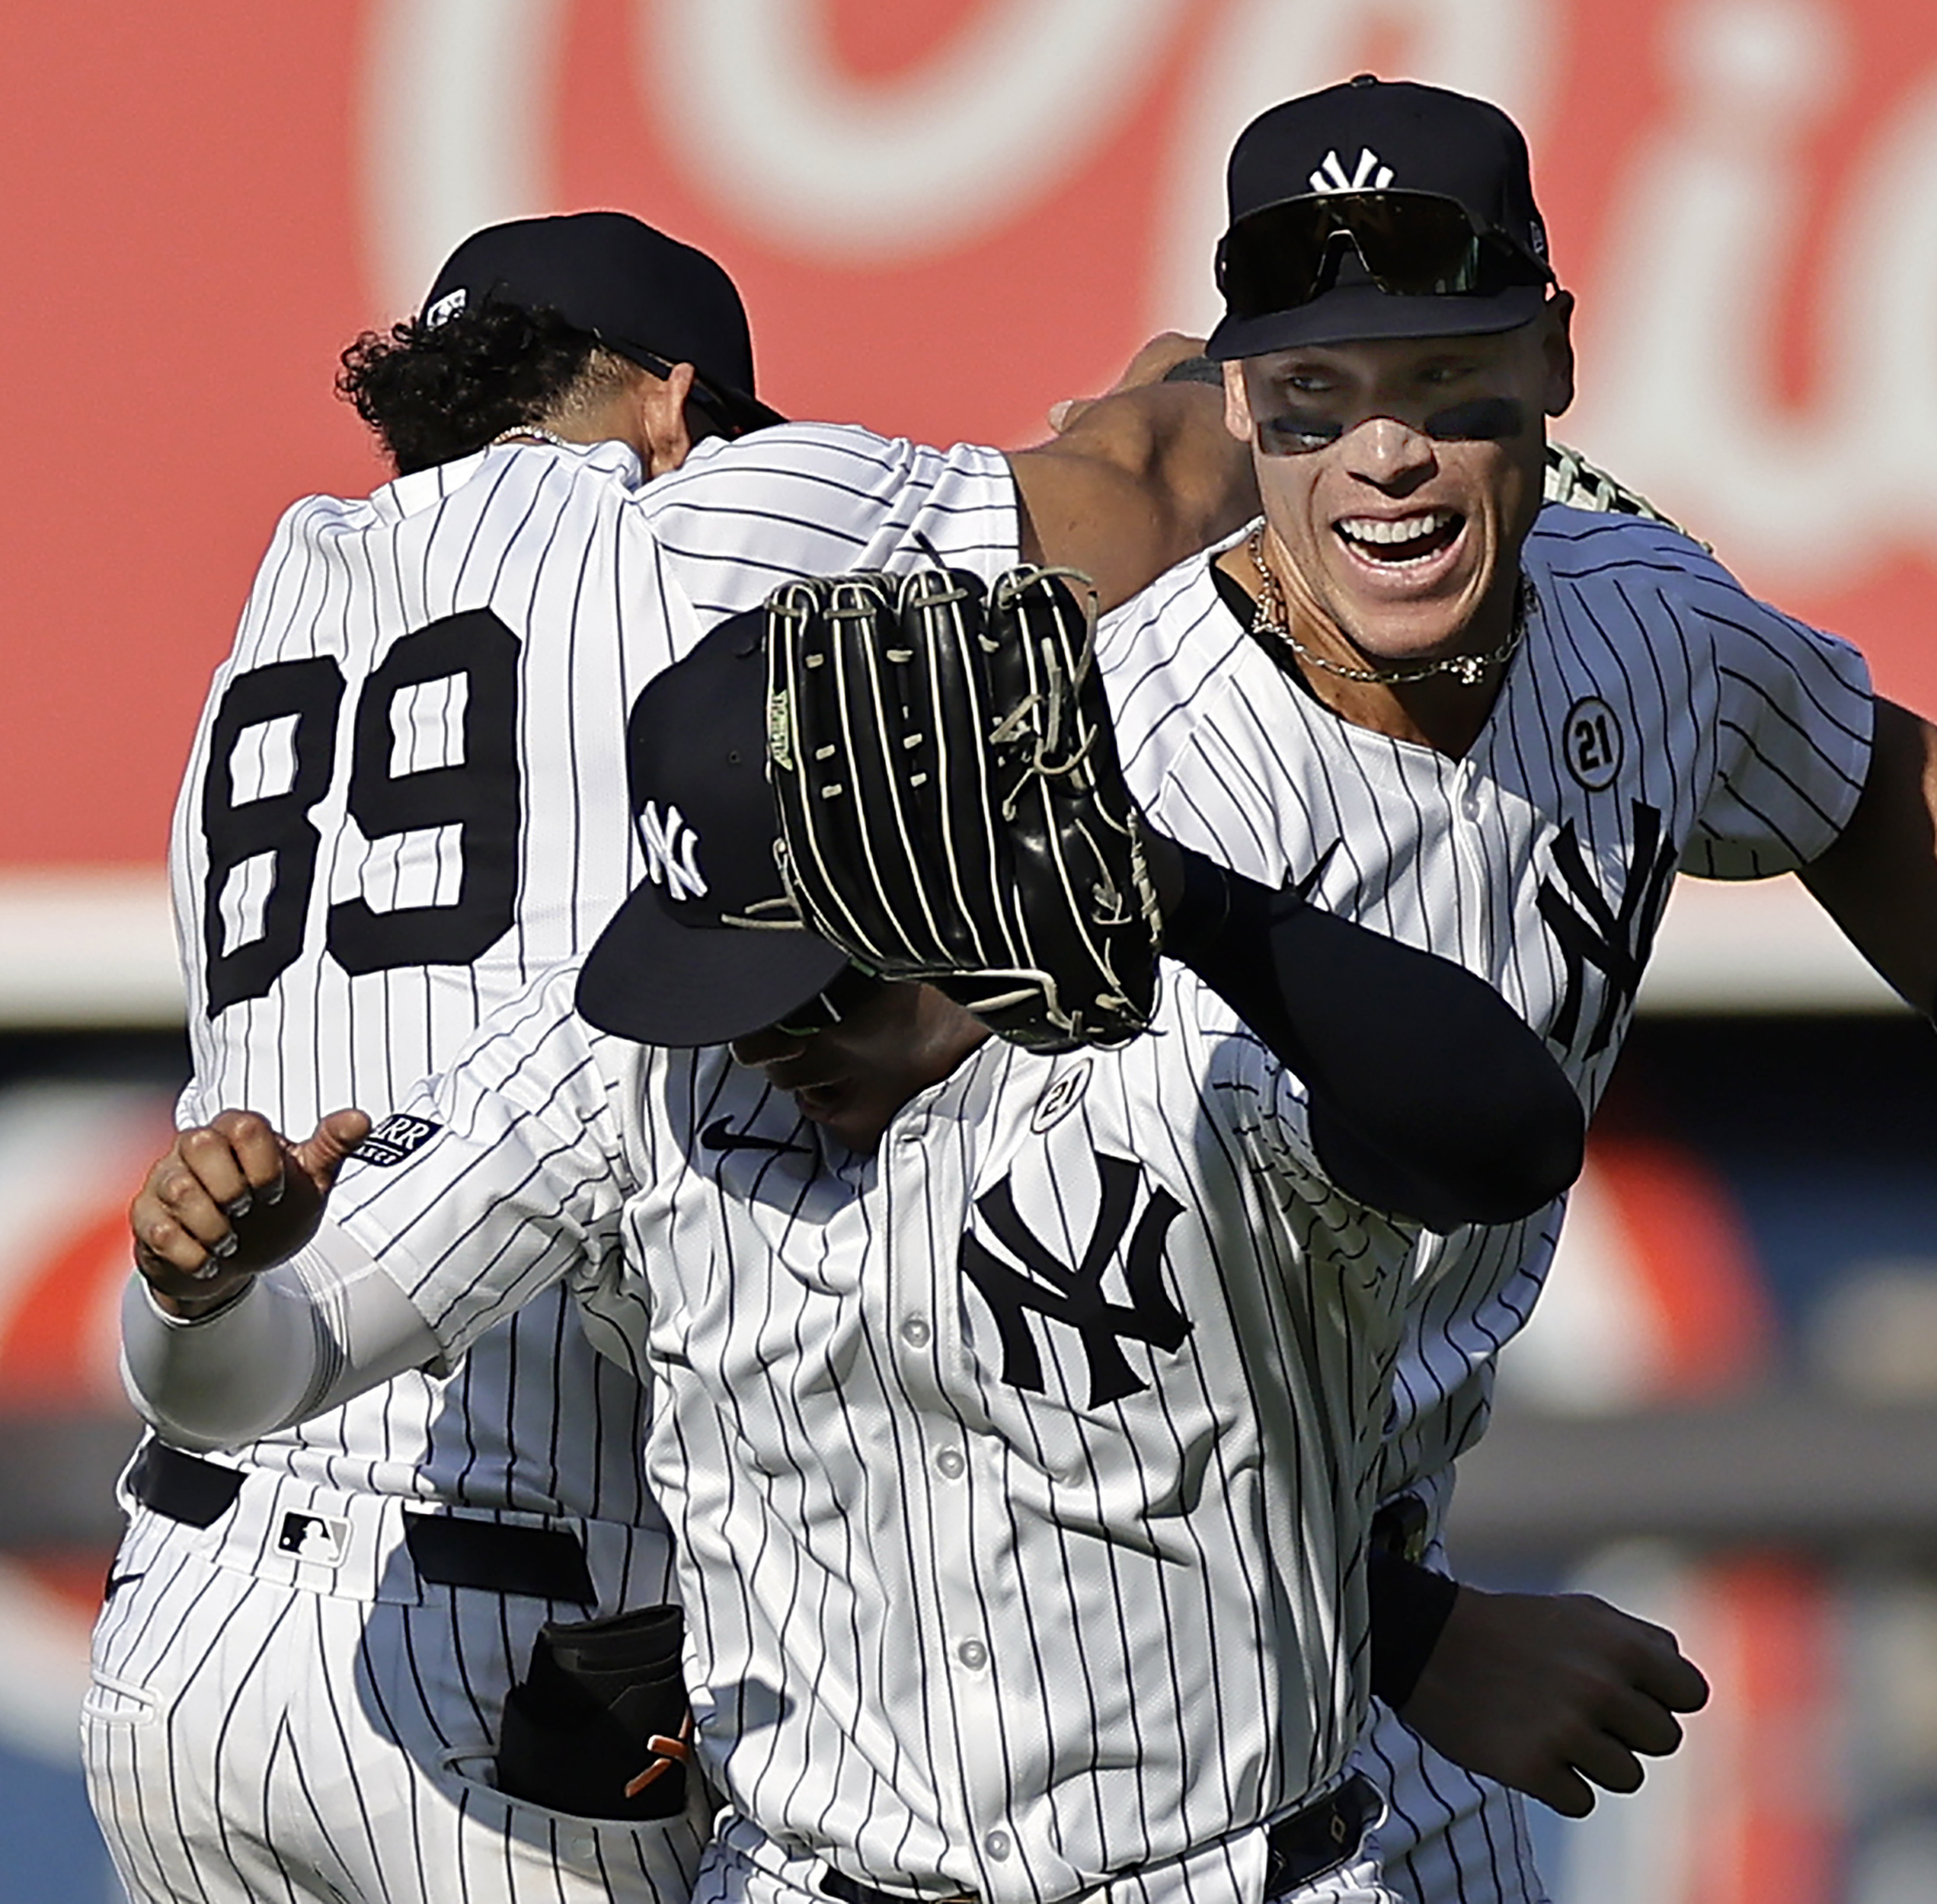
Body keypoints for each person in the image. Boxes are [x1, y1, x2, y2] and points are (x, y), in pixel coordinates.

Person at [1088, 75, 1937, 1899]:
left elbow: (1869, 782)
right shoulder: (1142, 780)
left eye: (1442, 380)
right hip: (1056, 1702)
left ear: (1558, 358)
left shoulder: (1626, 612)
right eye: (1321, 398)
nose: (1386, 456)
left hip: (1361, 1634)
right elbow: (1011, 1394)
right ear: (1247, 409)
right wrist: (1416, 1637)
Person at [88, 208, 1255, 1904]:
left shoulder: (283, 591)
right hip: (512, 1658)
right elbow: (1152, 495)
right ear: (668, 398)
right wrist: (1206, 363)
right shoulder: (702, 513)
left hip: (186, 1617)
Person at [121, 616, 1588, 1904]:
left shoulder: (1193, 1055)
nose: (760, 1039)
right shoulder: (638, 1077)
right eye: (724, 988)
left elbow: (1510, 1142)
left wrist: (1186, 898)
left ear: (953, 881)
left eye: (804, 984)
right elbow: (265, 1374)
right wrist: (202, 1289)